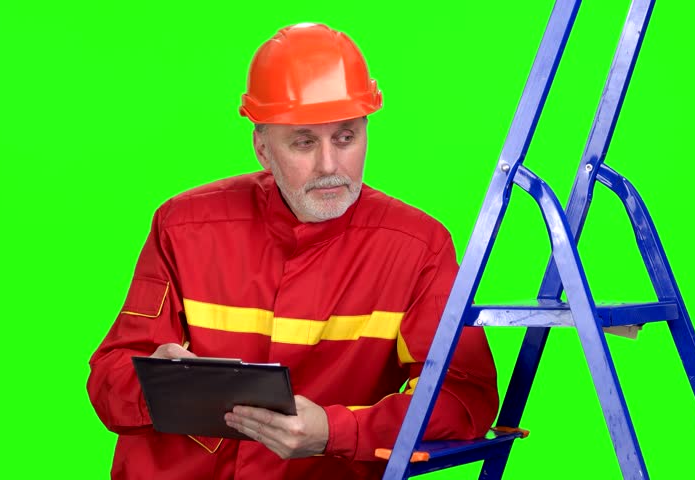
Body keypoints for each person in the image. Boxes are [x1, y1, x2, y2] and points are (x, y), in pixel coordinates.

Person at [87, 22, 499, 480]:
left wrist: (337, 430)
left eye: (345, 138)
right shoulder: (184, 227)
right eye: (304, 142)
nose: (329, 165)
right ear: (262, 147)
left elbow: (464, 398)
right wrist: (154, 384)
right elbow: (108, 380)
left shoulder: (418, 247)